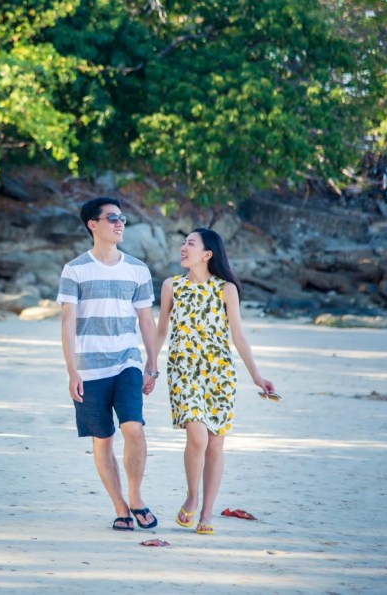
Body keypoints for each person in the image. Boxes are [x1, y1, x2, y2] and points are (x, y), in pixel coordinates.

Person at [153, 227, 276, 535]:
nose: (183, 248)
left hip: (219, 373)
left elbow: (238, 335)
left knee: (216, 443)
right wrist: (149, 366)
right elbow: (160, 331)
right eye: (182, 243)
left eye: (190, 244)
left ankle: (207, 514)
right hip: (183, 369)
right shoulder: (172, 286)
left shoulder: (226, 289)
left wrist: (256, 376)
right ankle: (192, 497)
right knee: (197, 436)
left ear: (207, 254)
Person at [57, 197, 159, 532]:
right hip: (88, 367)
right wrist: (71, 370)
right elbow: (68, 322)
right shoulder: (75, 269)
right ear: (93, 225)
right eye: (112, 218)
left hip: (126, 360)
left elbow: (146, 320)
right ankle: (119, 506)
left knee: (134, 428)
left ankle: (136, 497)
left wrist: (152, 363)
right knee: (102, 438)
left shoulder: (137, 269)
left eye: (122, 218)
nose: (119, 224)